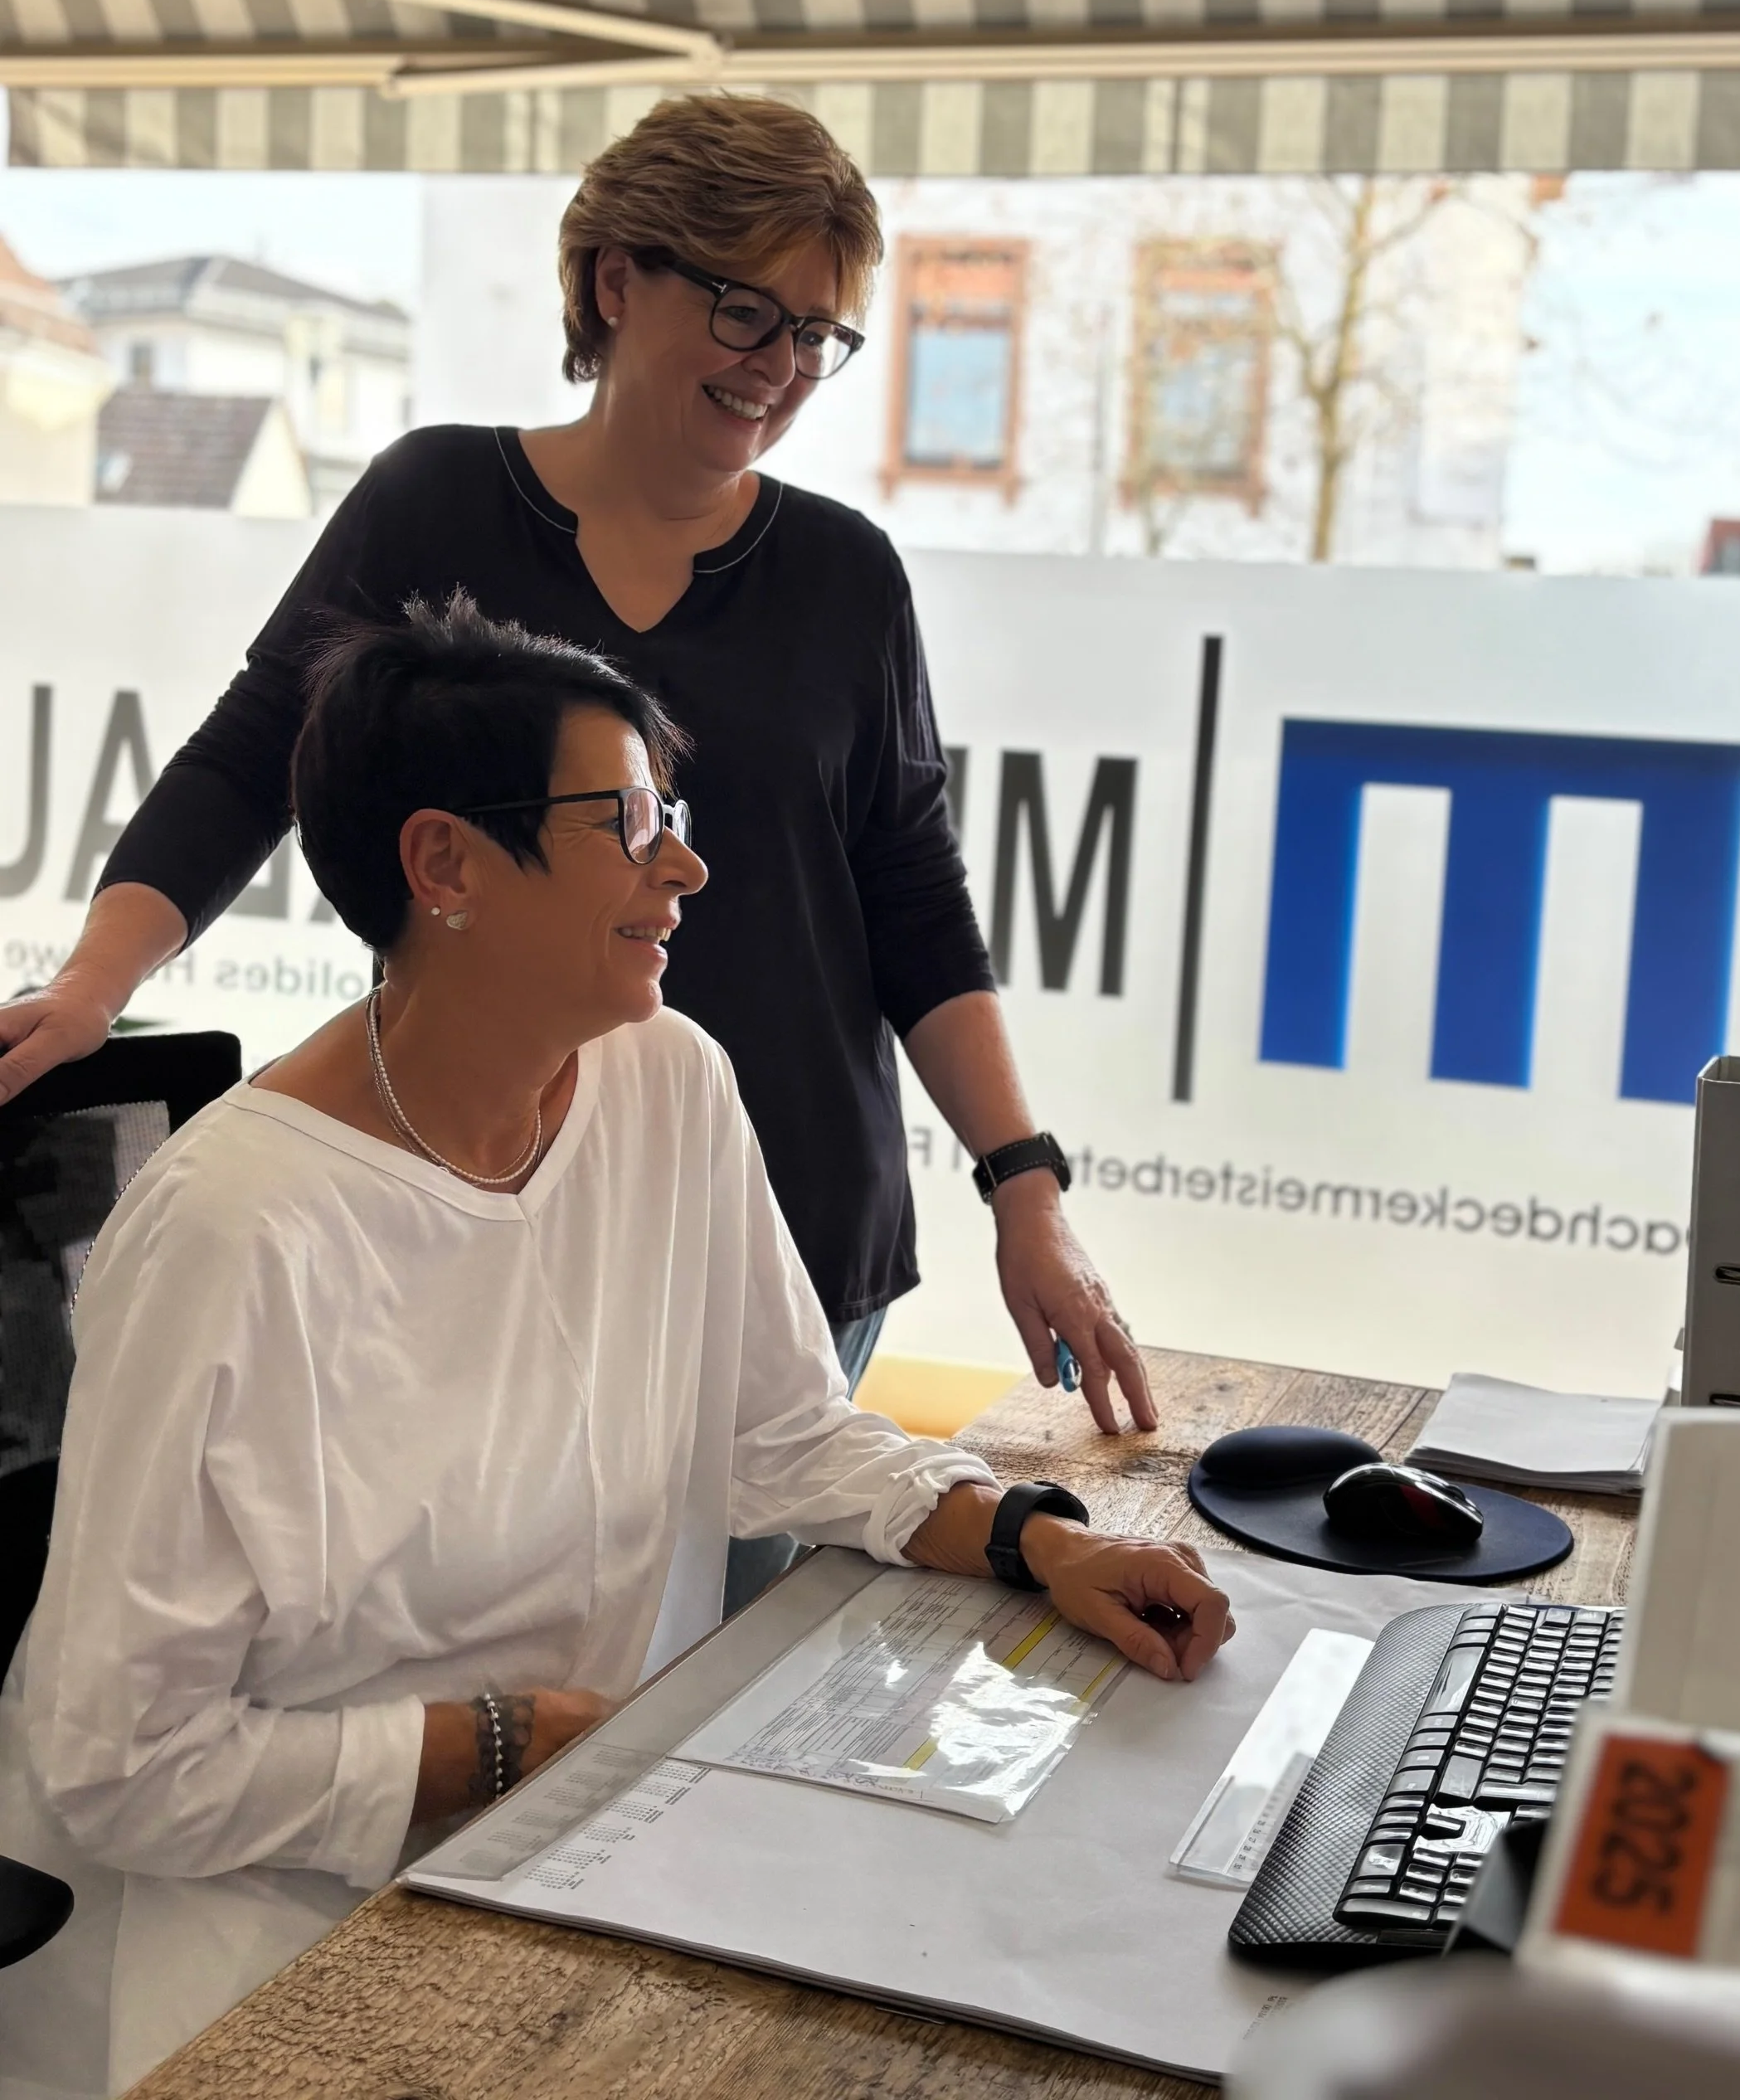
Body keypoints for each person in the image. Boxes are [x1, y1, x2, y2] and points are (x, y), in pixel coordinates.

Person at [6, 600, 1231, 2098]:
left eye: (675, 812)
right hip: (301, 1962)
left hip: (603, 1874)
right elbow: (120, 1764)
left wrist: (1037, 1539)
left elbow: (784, 1430)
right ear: (444, 863)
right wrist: (509, 1743)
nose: (688, 864)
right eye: (630, 820)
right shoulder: (234, 1233)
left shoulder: (665, 1081)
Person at [0, 95, 1157, 1616]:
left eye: (818, 337)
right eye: (747, 311)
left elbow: (914, 898)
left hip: (788, 1222)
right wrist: (93, 985)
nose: (779, 368)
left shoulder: (845, 578)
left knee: (732, 1703)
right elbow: (246, 760)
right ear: (617, 281)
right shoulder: (436, 501)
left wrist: (1025, 1187)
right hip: (496, 1219)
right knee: (523, 1670)